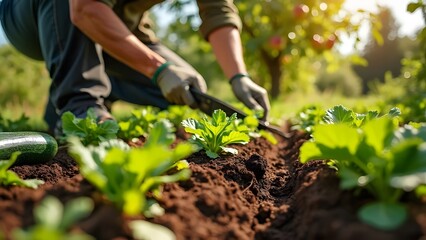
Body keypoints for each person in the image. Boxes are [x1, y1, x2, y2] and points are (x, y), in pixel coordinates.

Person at [0, 0, 271, 135]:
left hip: (118, 24)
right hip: (33, 18)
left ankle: (100, 84)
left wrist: (239, 76)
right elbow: (83, 7)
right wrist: (158, 69)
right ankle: (80, 105)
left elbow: (218, 12)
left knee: (189, 90)